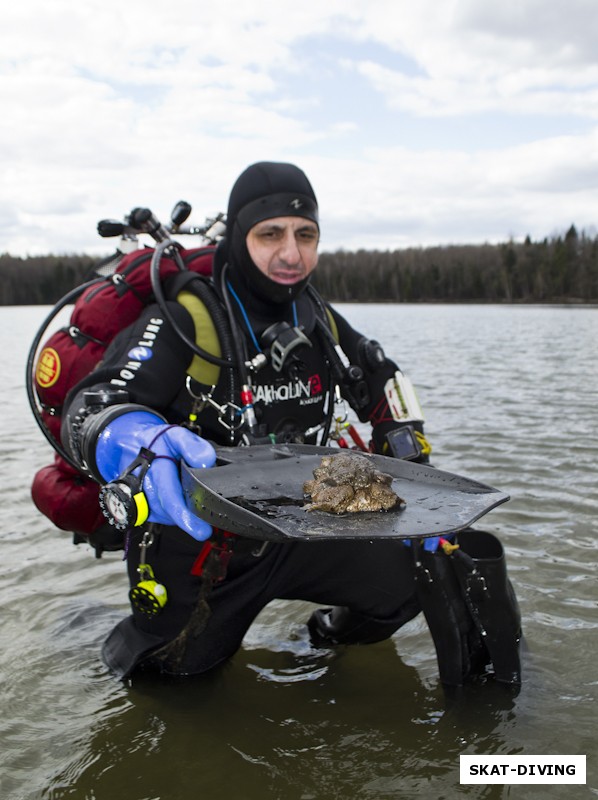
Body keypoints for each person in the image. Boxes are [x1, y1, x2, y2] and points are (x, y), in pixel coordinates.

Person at [61, 162, 520, 683]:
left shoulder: (316, 315)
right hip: (197, 543)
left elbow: (384, 385)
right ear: (239, 235)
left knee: (407, 581)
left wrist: (415, 476)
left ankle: (321, 644)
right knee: (171, 682)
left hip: (304, 523)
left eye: (306, 235)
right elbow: (92, 402)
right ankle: (91, 635)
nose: (291, 253)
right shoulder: (188, 317)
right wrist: (133, 439)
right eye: (270, 234)